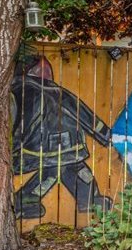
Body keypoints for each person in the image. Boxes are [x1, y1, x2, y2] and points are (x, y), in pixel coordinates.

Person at [11, 55, 113, 219]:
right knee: (59, 170)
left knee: (72, 170)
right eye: (42, 69)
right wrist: (105, 134)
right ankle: (25, 200)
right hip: (58, 146)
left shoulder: (18, 93)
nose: (46, 72)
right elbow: (84, 115)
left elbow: (14, 121)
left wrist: (13, 147)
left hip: (42, 148)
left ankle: (88, 200)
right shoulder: (50, 92)